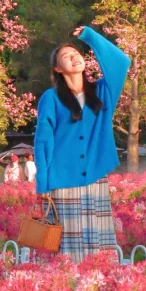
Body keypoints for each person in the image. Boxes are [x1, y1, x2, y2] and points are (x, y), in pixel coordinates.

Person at [34, 25, 131, 260]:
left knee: (98, 243)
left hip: (96, 176)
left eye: (76, 53)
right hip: (63, 180)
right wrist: (43, 184)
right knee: (69, 246)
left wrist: (90, 37)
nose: (74, 57)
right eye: (66, 57)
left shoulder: (102, 92)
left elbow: (121, 62)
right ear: (58, 68)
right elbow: (43, 141)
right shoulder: (52, 98)